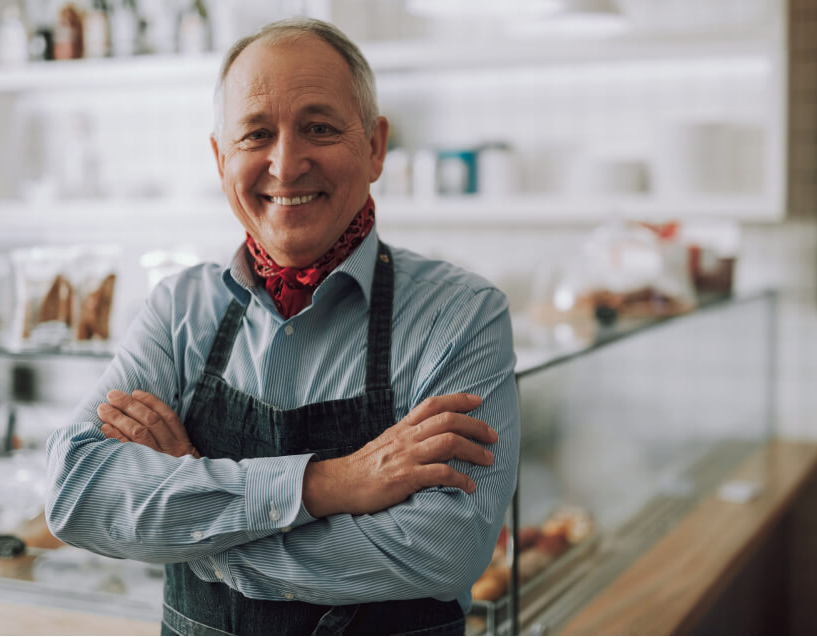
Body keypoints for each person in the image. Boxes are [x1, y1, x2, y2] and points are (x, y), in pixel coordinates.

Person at [44, 17, 519, 637]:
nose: (287, 163)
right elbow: (77, 492)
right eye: (256, 134)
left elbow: (442, 548)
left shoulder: (460, 314)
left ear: (375, 147)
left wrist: (196, 527)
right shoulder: (177, 311)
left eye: (319, 128)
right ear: (221, 160)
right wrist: (329, 483)